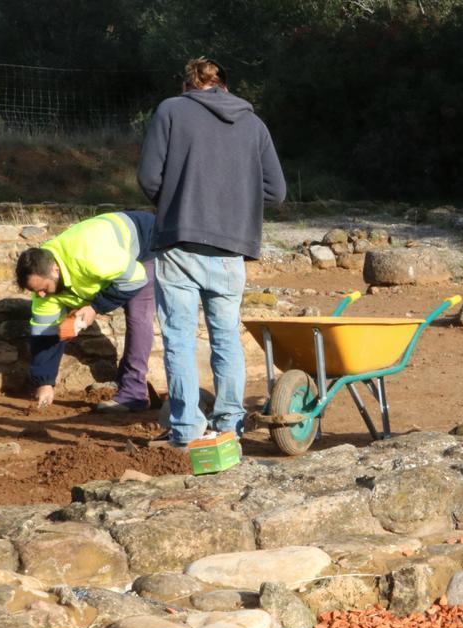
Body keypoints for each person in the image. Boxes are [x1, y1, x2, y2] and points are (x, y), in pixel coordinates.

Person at [137, 57, 286, 447]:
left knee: (180, 340)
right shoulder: (253, 124)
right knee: (226, 339)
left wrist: (176, 203)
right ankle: (229, 427)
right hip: (232, 249)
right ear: (224, 86)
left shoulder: (171, 110)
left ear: (187, 85)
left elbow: (149, 177)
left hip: (180, 243)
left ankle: (186, 430)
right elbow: (277, 191)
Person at [16, 211, 158, 413]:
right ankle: (123, 382)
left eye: (44, 288)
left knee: (137, 315)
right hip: (111, 257)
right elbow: (44, 334)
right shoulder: (42, 285)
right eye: (35, 291)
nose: (41, 295)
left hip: (146, 241)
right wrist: (45, 382)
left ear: (55, 270)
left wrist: (96, 307)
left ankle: (134, 394)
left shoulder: (90, 256)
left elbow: (136, 278)